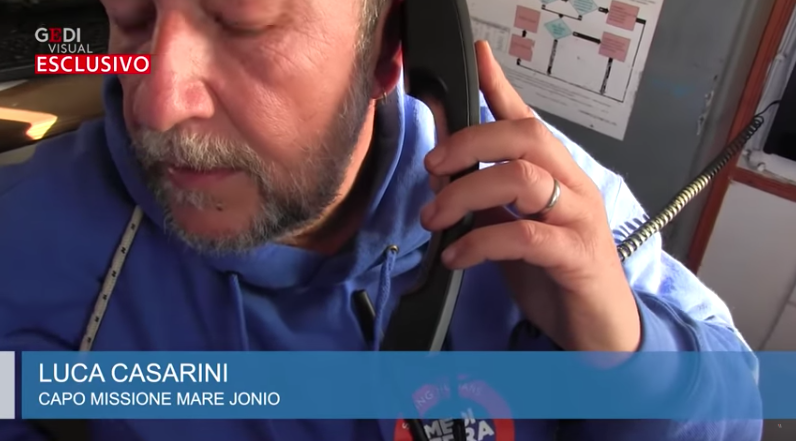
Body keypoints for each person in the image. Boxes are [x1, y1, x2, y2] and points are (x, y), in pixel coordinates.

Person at [0, 0, 761, 440]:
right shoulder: (27, 235)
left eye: (242, 22)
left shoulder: (546, 201)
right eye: (133, 19)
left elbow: (743, 411)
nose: (160, 103)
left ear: (387, 51)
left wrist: (627, 357)